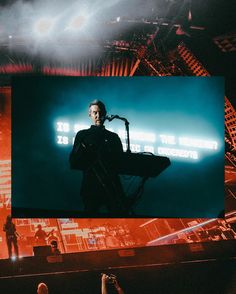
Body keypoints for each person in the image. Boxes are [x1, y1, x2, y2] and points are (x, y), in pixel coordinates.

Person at [69, 100, 126, 216]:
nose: (98, 115)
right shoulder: (82, 135)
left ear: (105, 113)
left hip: (112, 185)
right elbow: (73, 160)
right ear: (89, 114)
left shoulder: (113, 137)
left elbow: (121, 161)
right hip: (91, 184)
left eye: (100, 112)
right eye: (95, 113)